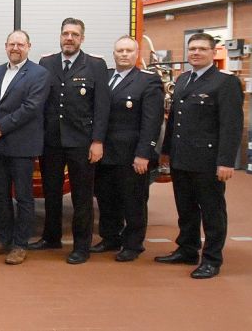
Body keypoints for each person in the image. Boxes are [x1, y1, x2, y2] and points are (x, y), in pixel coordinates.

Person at [156, 32, 244, 279]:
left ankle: (212, 259)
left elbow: (231, 126)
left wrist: (226, 161)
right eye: (192, 48)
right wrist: (166, 152)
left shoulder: (225, 83)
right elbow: (174, 121)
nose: (195, 53)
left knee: (212, 211)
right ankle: (187, 249)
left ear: (213, 53)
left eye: (202, 49)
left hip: (207, 161)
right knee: (186, 208)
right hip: (181, 158)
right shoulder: (183, 80)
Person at [31, 18, 110, 264]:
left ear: (82, 39)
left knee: (82, 197)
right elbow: (41, 104)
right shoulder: (47, 63)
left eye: (75, 34)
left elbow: (102, 107)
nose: (69, 38)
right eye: (65, 33)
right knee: (51, 192)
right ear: (60, 36)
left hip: (81, 142)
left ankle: (81, 246)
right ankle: (51, 237)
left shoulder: (96, 65)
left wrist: (97, 141)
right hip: (51, 141)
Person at [0, 30, 49, 265]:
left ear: (29, 46)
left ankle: (20, 245)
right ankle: (3, 239)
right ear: (6, 46)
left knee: (23, 197)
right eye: (12, 44)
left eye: (20, 44)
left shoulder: (39, 73)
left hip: (22, 145)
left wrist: (0, 125)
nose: (15, 48)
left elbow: (32, 107)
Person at [93, 36, 163, 262]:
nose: (124, 54)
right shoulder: (103, 77)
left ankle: (133, 244)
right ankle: (110, 238)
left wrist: (144, 154)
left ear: (137, 54)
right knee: (106, 198)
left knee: (133, 200)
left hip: (132, 155)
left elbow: (152, 122)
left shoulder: (147, 81)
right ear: (113, 54)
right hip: (104, 153)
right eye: (120, 50)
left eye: (129, 51)